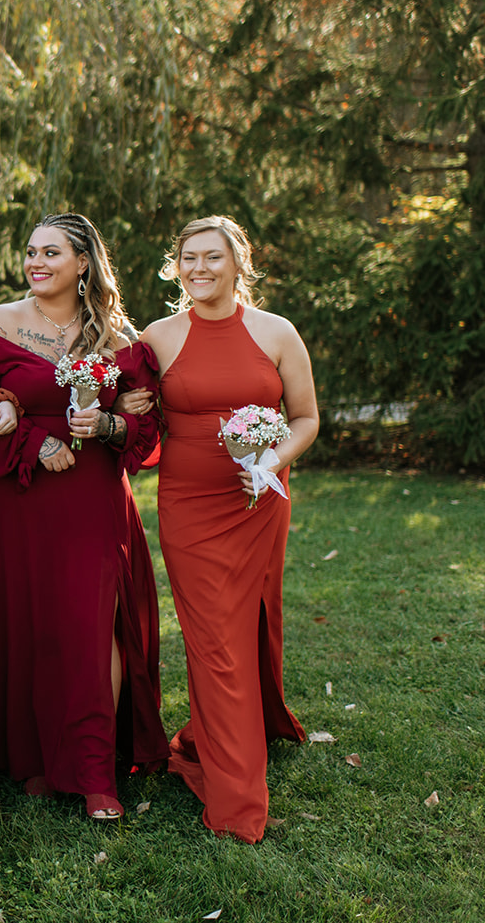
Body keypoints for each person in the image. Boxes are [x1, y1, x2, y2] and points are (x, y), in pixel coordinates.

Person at [0, 212, 169, 822]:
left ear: (83, 263)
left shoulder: (119, 337)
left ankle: (96, 770)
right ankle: (37, 760)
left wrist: (107, 422)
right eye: (30, 252)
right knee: (28, 622)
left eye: (52, 252)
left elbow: (148, 427)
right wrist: (30, 441)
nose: (37, 262)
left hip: (91, 496)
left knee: (91, 622)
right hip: (14, 495)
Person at [139, 215, 317, 842]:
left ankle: (244, 726)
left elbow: (304, 418)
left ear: (239, 262)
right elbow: (123, 402)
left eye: (212, 257)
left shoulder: (276, 333)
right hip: (189, 504)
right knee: (214, 639)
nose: (199, 269)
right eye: (188, 259)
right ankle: (238, 798)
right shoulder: (158, 338)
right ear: (176, 265)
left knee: (249, 623)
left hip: (258, 501)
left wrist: (270, 461)